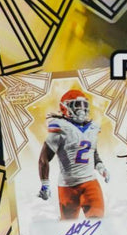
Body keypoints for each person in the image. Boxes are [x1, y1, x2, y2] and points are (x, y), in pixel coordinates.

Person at [38, 89, 110, 220]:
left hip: (90, 183)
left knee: (97, 222)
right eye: (77, 105)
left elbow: (92, 153)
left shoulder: (92, 128)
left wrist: (101, 168)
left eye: (84, 105)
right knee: (68, 226)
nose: (81, 110)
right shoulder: (60, 128)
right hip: (67, 186)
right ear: (65, 107)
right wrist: (45, 184)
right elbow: (44, 159)